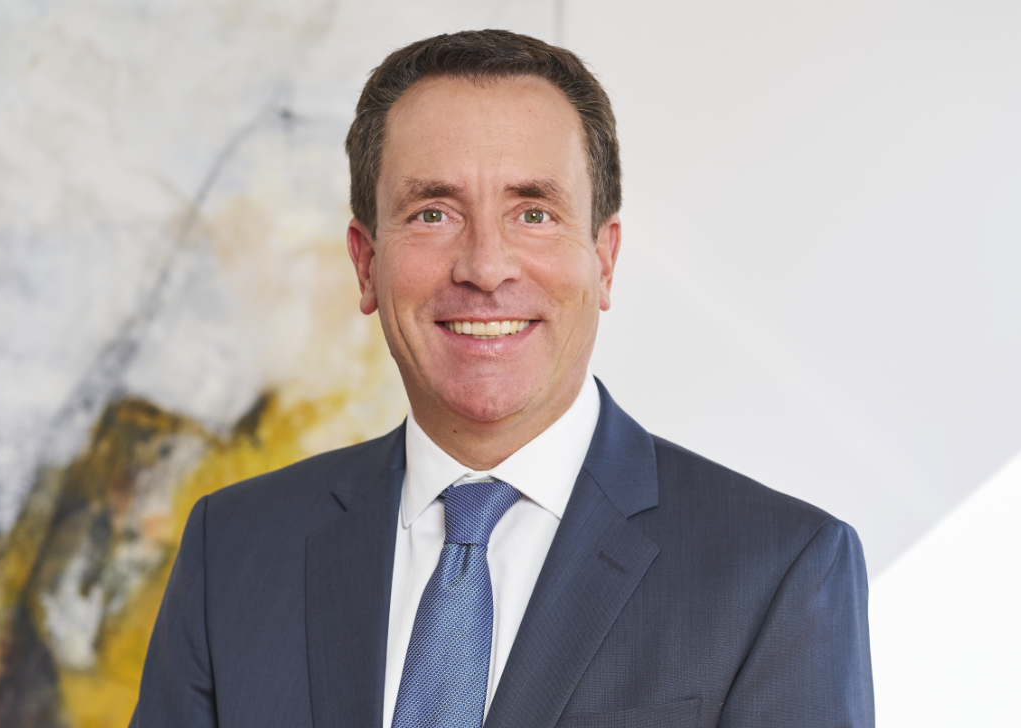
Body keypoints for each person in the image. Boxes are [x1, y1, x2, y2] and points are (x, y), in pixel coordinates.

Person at [131, 30, 874, 728]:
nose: (485, 267)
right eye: (433, 213)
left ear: (604, 257)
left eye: (534, 213)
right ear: (366, 263)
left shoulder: (780, 570)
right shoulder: (233, 551)